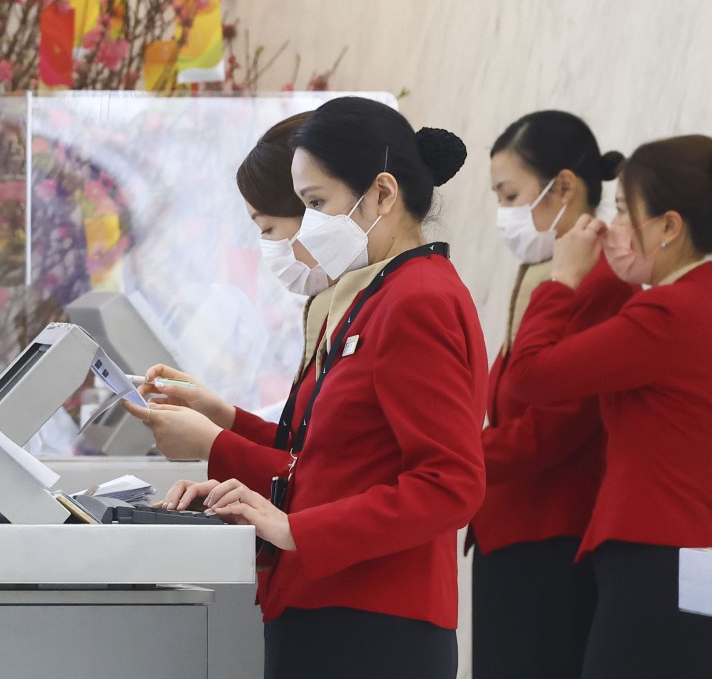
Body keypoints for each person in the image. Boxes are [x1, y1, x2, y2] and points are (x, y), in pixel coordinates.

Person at [124, 96, 486, 679]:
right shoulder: (377, 292)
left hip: (374, 619)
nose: (307, 224)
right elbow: (333, 450)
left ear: (383, 196)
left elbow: (451, 484)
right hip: (330, 601)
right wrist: (227, 427)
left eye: (316, 204)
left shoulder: (418, 299)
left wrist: (295, 526)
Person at [507, 134, 712, 679]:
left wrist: (564, 277)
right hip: (711, 565)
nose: (609, 226)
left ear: (669, 226)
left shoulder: (666, 315)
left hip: (655, 564)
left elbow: (529, 376)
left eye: (622, 208)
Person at [469, 110, 636, 679]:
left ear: (563, 186)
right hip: (510, 523)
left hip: (553, 531)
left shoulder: (603, 281)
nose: (505, 214)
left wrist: (460, 458)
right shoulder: (544, 268)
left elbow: (561, 422)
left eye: (511, 194)